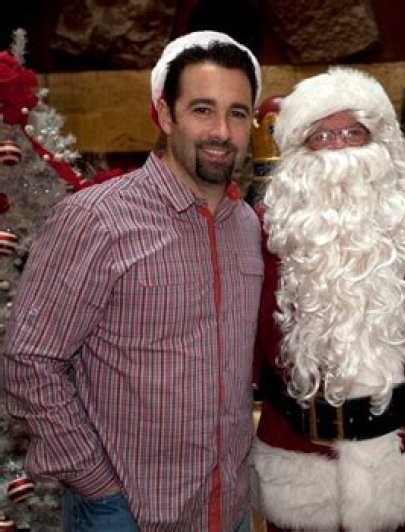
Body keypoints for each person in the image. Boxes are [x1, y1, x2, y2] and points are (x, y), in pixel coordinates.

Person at [2, 31, 264, 531]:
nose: (221, 131)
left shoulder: (246, 225)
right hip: (128, 514)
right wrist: (98, 486)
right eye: (202, 109)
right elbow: (29, 360)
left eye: (237, 113)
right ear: (165, 115)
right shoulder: (97, 219)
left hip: (227, 509)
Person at [252, 66, 405, 531]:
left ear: (385, 141)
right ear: (296, 151)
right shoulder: (258, 232)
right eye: (321, 137)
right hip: (302, 477)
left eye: (355, 132)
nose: (340, 149)